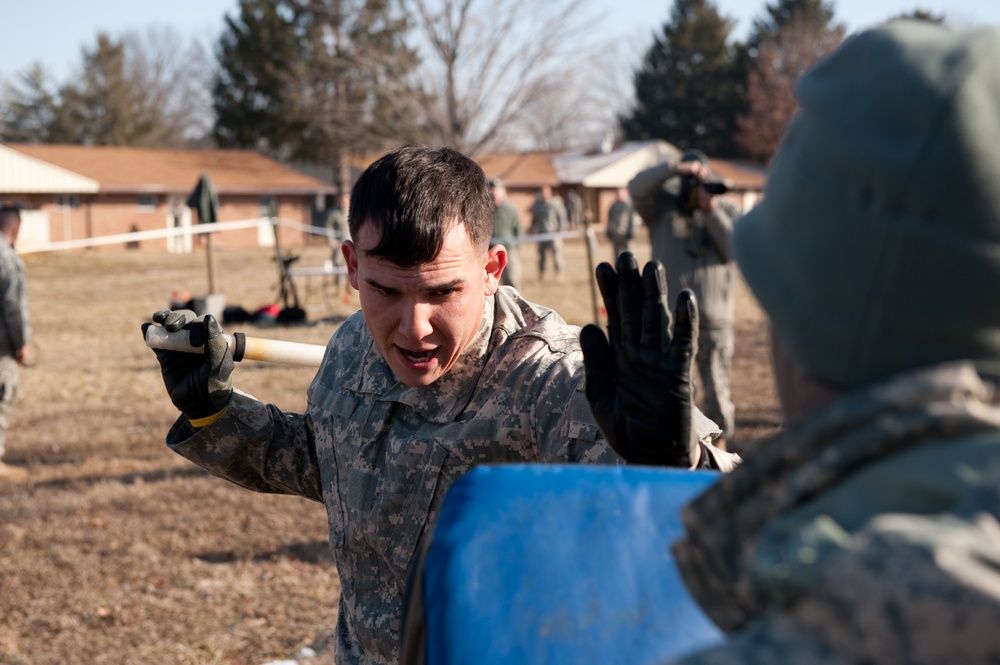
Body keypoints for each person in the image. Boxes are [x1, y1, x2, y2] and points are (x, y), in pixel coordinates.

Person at [142, 146, 738, 665]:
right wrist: (216, 414)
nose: (414, 327)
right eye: (386, 290)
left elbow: (731, 532)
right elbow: (328, 464)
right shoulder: (353, 345)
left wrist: (675, 465)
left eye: (442, 291)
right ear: (352, 266)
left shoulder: (550, 380)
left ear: (491, 270)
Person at [598, 21, 1000, 663]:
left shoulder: (831, 635)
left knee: (717, 385)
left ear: (805, 321)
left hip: (717, 317)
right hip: (682, 324)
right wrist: (686, 467)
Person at [629, 148, 740, 445]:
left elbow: (734, 249)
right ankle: (683, 449)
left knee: (717, 390)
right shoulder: (662, 207)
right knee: (676, 389)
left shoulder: (725, 209)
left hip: (715, 322)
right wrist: (674, 168)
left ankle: (720, 449)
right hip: (672, 320)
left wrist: (711, 210)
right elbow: (635, 187)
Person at [0, 206, 30, 482]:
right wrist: (21, 343)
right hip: (1, 349)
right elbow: (12, 306)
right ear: (15, 229)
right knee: (3, 396)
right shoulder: (7, 258)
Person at [488, 178, 522, 292]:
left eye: (497, 192)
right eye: (492, 192)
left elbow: (518, 229)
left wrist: (516, 246)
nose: (495, 195)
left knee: (512, 280)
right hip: (488, 253)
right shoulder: (484, 210)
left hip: (508, 251)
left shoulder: (510, 209)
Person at [529, 184, 567, 283]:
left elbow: (562, 217)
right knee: (541, 256)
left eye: (545, 192)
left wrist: (561, 231)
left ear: (549, 192)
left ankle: (559, 274)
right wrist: (532, 229)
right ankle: (542, 275)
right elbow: (534, 219)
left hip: (554, 234)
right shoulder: (538, 205)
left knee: (557, 255)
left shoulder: (555, 204)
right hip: (542, 234)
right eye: (542, 192)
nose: (543, 194)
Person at [326, 193, 350, 293]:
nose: (343, 203)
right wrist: (332, 241)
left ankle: (350, 288)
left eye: (345, 200)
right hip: (339, 246)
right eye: (341, 200)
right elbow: (329, 228)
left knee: (352, 266)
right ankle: (339, 288)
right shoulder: (334, 213)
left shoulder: (353, 212)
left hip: (352, 245)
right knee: (338, 264)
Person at [606, 187, 638, 260]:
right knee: (616, 256)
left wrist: (631, 231)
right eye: (617, 192)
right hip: (616, 234)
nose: (618, 194)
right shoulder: (613, 206)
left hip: (626, 234)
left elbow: (634, 219)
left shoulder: (629, 205)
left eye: (620, 192)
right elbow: (610, 219)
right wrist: (609, 231)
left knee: (629, 255)